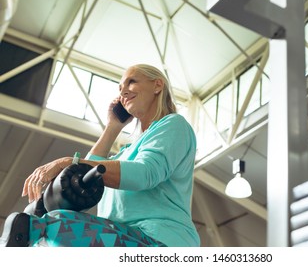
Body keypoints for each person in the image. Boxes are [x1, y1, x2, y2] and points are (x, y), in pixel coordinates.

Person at [0, 64, 200, 247]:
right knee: (41, 228)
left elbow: (144, 174)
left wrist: (68, 161)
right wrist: (112, 127)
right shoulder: (126, 153)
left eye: (132, 81)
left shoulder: (173, 125)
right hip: (127, 236)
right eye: (120, 87)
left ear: (157, 85)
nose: (123, 91)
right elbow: (84, 176)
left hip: (161, 241)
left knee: (57, 225)